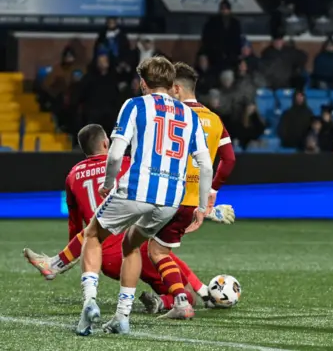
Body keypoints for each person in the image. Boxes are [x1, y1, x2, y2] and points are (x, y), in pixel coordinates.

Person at [22, 125, 235, 315]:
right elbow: (162, 197)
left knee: (106, 233)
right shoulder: (126, 164)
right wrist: (208, 210)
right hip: (130, 248)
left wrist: (80, 254)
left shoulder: (73, 175)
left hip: (101, 257)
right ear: (107, 143)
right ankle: (170, 301)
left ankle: (55, 264)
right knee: (181, 285)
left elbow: (76, 225)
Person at [75, 56, 213, 336]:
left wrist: (109, 182)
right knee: (131, 244)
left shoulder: (135, 105)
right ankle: (121, 317)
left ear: (143, 83)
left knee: (92, 235)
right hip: (170, 200)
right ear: (172, 84)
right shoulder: (189, 115)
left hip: (137, 189)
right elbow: (206, 164)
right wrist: (201, 207)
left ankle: (89, 300)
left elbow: (115, 153)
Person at [139, 62, 236, 318]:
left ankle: (169, 299)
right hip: (195, 201)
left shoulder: (175, 115)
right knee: (158, 249)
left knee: (139, 246)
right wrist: (211, 193)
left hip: (166, 193)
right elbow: (229, 160)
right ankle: (192, 293)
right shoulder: (214, 120)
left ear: (177, 88)